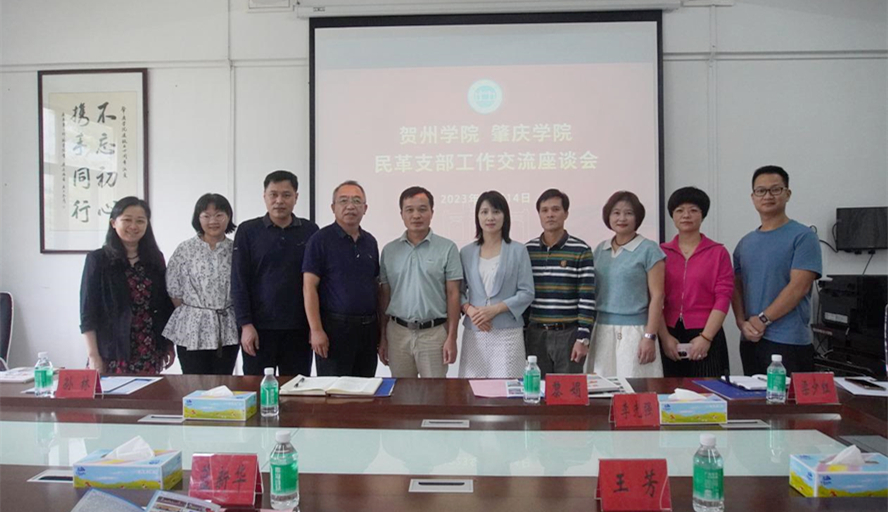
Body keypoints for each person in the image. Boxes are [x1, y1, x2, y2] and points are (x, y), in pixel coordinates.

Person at [732, 165, 822, 376]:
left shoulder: (803, 237)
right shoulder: (745, 243)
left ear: (787, 194)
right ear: (753, 197)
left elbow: (799, 287)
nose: (767, 196)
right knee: (753, 397)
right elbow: (736, 287)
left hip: (789, 341)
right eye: (761, 191)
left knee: (789, 398)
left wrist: (763, 319)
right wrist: (741, 323)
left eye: (775, 189)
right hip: (751, 339)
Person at [231, 170, 318, 376]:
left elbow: (317, 282)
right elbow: (239, 281)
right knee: (257, 387)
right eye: (273, 194)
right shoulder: (248, 231)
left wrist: (315, 327)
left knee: (296, 387)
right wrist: (245, 325)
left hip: (299, 328)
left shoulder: (310, 230)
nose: (279, 201)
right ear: (264, 196)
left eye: (286, 195)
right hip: (259, 329)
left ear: (296, 197)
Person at [79, 197, 175, 375]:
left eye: (140, 221)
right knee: (112, 393)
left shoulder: (155, 259)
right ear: (113, 223)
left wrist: (168, 344)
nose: (133, 226)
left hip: (149, 347)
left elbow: (164, 305)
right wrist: (93, 355)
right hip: (111, 350)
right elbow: (88, 311)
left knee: (148, 393)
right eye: (127, 220)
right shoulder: (98, 260)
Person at [378, 186, 462, 378]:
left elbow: (453, 294)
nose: (416, 215)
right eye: (409, 210)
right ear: (401, 214)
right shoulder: (389, 251)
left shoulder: (447, 248)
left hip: (434, 334)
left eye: (422, 209)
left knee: (435, 393)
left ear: (432, 212)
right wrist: (383, 337)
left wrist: (452, 337)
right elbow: (384, 296)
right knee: (401, 392)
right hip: (397, 334)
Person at [303, 181, 380, 377]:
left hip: (368, 330)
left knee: (365, 388)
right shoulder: (320, 240)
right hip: (334, 330)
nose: (350, 206)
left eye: (357, 201)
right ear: (333, 207)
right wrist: (316, 330)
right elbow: (309, 287)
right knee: (334, 390)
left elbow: (375, 285)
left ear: (365, 208)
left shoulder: (370, 242)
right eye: (343, 201)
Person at [586, 191, 665, 378]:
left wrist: (649, 336)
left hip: (635, 332)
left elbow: (657, 296)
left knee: (634, 387)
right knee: (602, 386)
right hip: (602, 329)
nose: (622, 218)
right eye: (616, 213)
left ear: (637, 217)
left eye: (628, 213)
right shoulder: (600, 249)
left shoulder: (649, 249)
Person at [658, 187, 733, 378]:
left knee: (708, 390)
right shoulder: (660, 252)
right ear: (672, 216)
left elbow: (723, 297)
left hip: (707, 331)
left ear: (703, 215)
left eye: (693, 210)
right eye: (679, 210)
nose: (686, 215)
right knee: (668, 389)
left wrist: (706, 337)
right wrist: (664, 337)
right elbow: (654, 298)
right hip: (669, 332)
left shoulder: (718, 252)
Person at [459, 191, 535, 378]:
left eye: (496, 211)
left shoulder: (518, 250)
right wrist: (470, 311)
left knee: (507, 385)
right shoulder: (466, 252)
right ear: (477, 217)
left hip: (507, 332)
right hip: (475, 331)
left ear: (505, 216)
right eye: (484, 212)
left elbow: (527, 292)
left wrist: (495, 310)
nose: (490, 217)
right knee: (472, 386)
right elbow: (458, 292)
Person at [163, 194, 239, 375]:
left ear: (228, 217)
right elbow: (173, 289)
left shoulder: (236, 249)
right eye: (206, 215)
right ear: (198, 218)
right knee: (193, 381)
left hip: (226, 327)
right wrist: (198, 312)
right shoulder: (185, 249)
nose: (213, 221)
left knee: (223, 381)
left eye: (219, 215)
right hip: (192, 327)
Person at [524, 189, 596, 377]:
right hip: (535, 334)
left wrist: (583, 338)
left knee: (567, 390)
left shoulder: (581, 250)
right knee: (535, 389)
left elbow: (587, 297)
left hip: (568, 335)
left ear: (566, 213)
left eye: (555, 209)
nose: (550, 214)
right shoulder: (527, 250)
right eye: (544, 210)